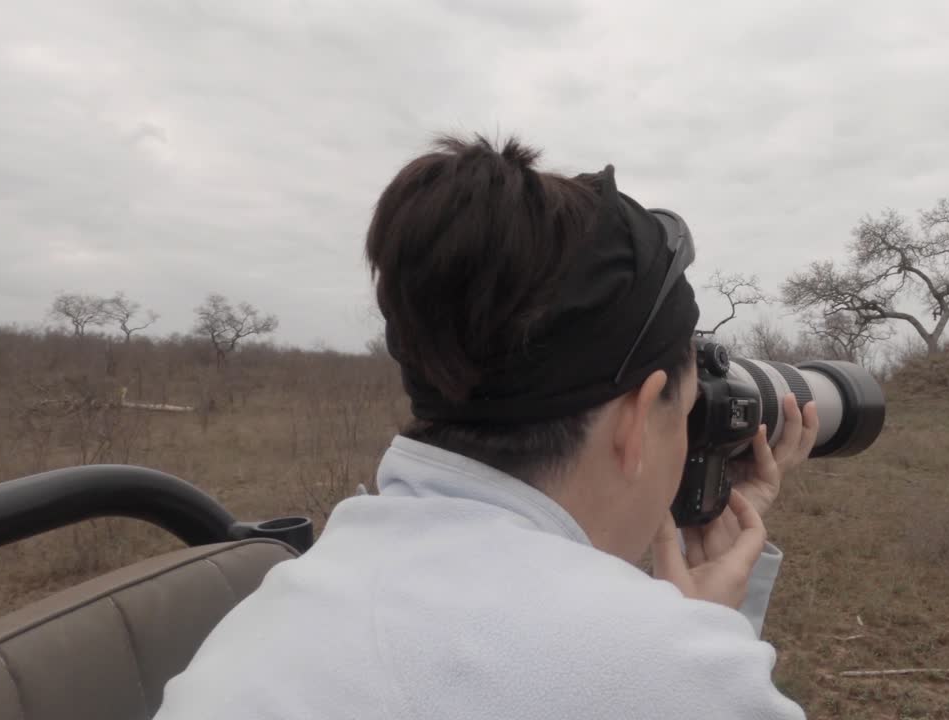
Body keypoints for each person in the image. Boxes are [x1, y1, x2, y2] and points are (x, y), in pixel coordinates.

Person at [154, 134, 820, 719]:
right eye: (687, 409)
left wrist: (689, 631)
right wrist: (697, 643)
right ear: (639, 416)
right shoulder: (672, 675)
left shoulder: (256, 627)